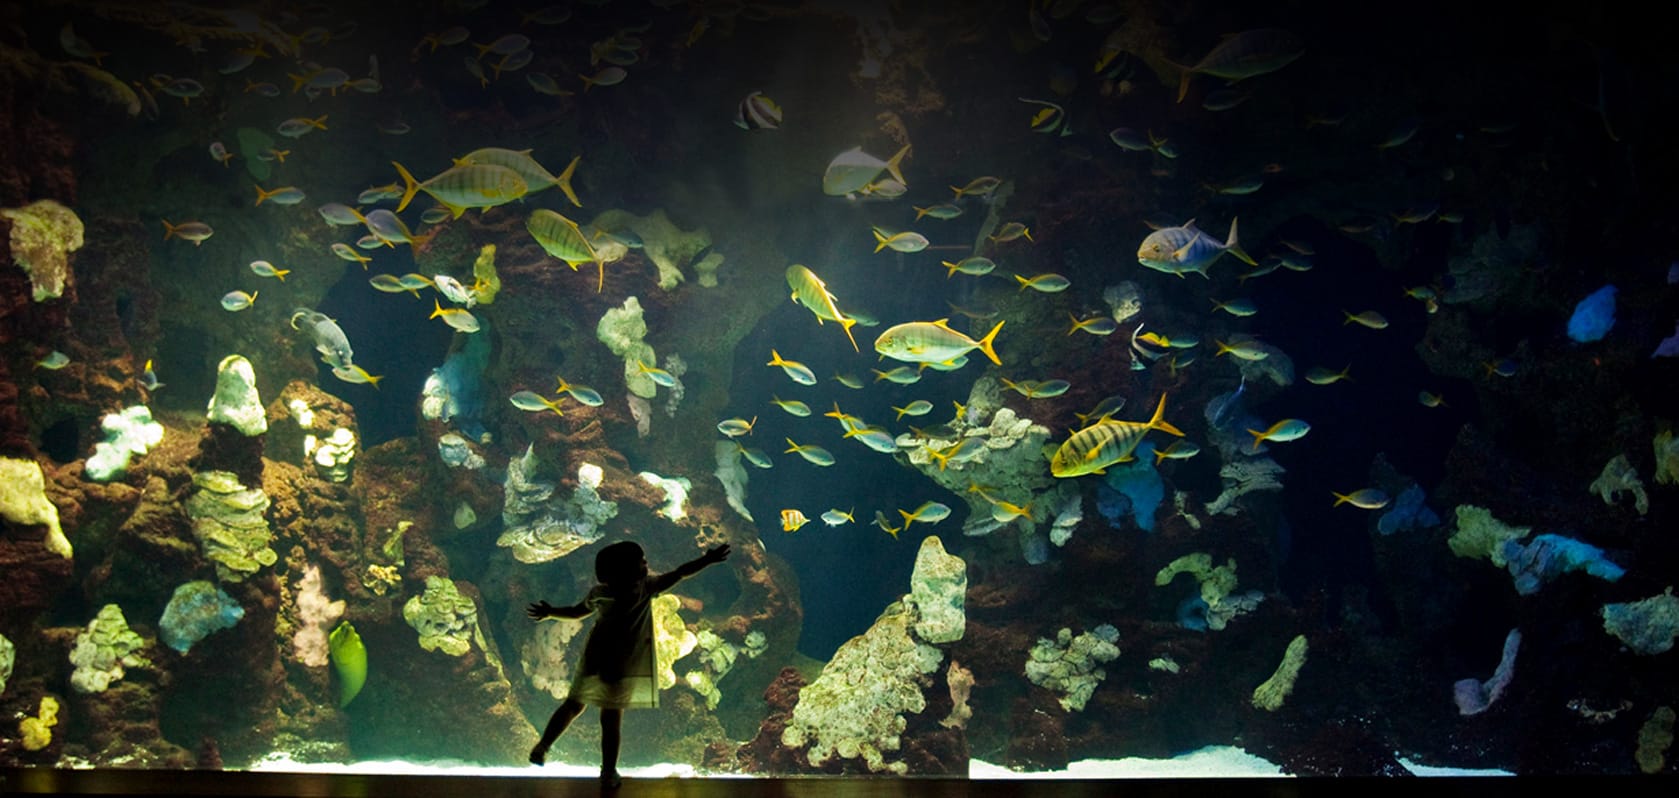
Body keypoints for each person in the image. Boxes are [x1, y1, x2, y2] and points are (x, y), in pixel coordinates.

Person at [526, 540, 731, 788]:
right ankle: (608, 772)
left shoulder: (600, 593)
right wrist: (707, 559)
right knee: (611, 718)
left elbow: (577, 612)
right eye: (642, 560)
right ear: (629, 569)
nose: (646, 563)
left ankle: (543, 745)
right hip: (622, 662)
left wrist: (550, 612)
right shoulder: (645, 588)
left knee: (573, 704)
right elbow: (680, 573)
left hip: (596, 656)